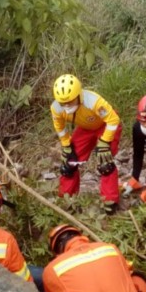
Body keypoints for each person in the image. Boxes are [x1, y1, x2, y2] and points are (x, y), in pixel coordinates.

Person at [51, 74, 122, 214]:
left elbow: (113, 120)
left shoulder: (93, 101)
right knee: (69, 163)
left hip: (106, 125)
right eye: (63, 103)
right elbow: (59, 127)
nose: (66, 106)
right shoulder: (56, 108)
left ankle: (110, 201)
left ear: (78, 95)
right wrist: (66, 145)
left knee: (105, 161)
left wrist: (104, 141)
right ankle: (67, 199)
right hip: (85, 128)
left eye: (70, 102)